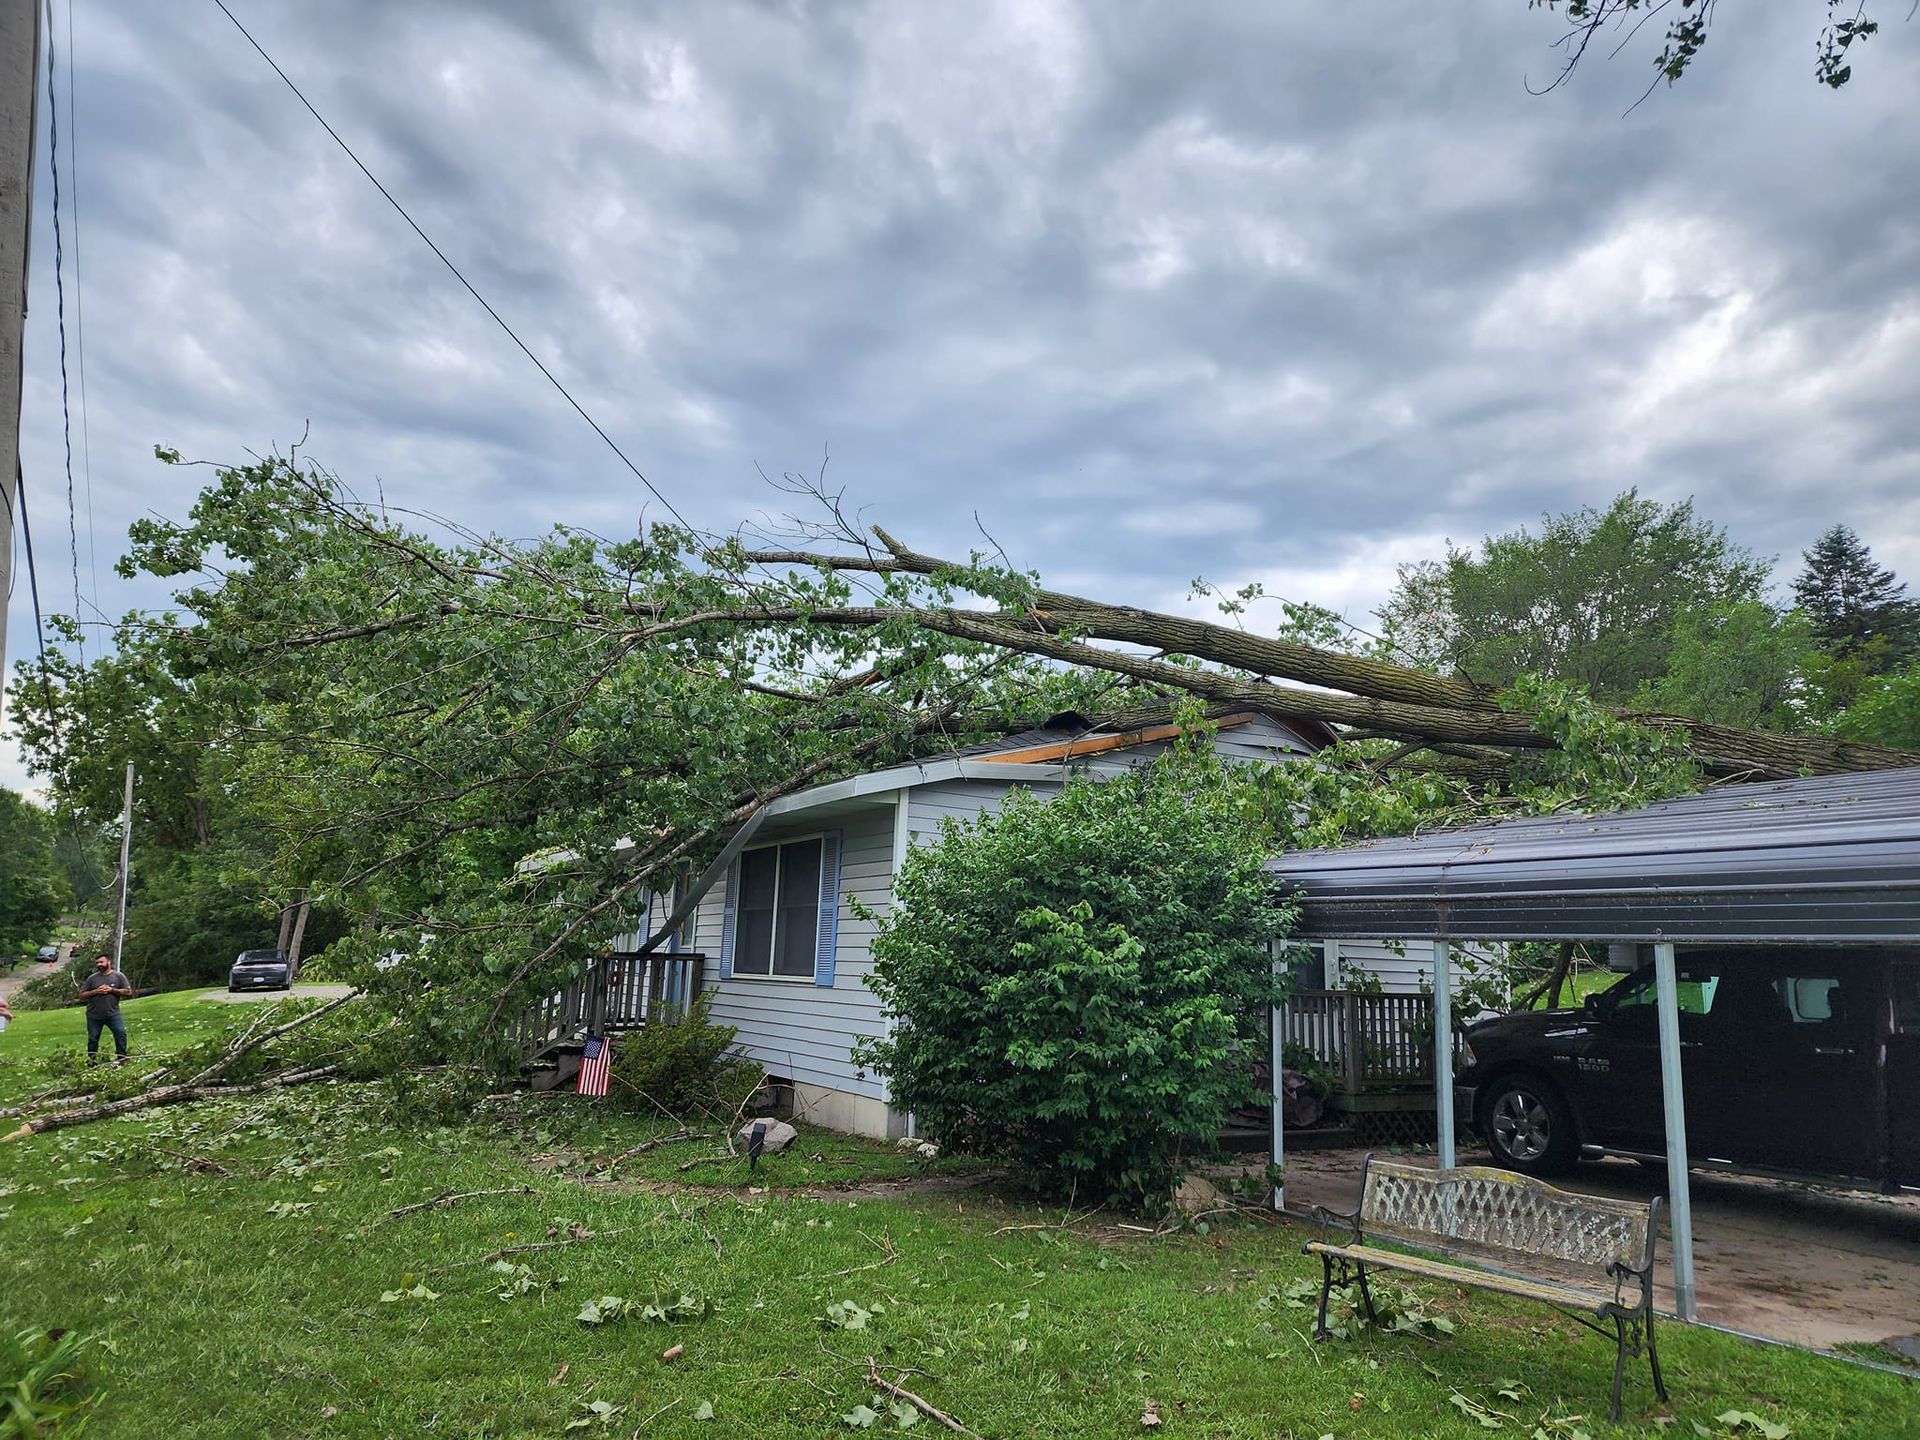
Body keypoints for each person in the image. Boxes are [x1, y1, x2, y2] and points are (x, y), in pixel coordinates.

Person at [77, 954, 132, 1063]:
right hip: (94, 1015)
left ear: (109, 962)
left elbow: (128, 992)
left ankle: (122, 1058)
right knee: (93, 1038)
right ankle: (91, 1061)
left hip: (113, 1013)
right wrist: (95, 991)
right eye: (97, 963)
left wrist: (112, 990)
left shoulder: (118, 976)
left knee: (120, 1033)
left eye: (101, 962)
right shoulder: (92, 979)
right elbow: (81, 995)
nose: (99, 965)